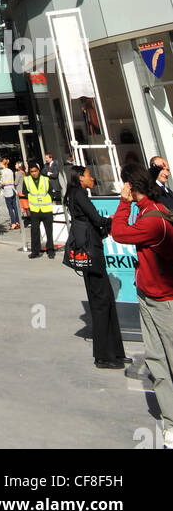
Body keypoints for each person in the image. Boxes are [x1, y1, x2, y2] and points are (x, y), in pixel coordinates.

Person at [112, 164, 173, 448]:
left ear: (131, 186)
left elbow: (120, 233)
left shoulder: (153, 219)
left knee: (168, 360)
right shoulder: (150, 212)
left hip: (164, 300)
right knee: (157, 359)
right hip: (149, 296)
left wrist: (123, 204)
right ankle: (170, 421)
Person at [63, 165, 126, 370]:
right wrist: (114, 220)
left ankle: (115, 351)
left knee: (105, 299)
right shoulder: (79, 194)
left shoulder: (74, 194)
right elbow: (96, 219)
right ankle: (104, 355)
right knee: (101, 301)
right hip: (92, 251)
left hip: (89, 248)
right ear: (80, 178)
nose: (92, 178)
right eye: (89, 175)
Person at [25, 162, 55, 259]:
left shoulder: (45, 179)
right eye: (32, 172)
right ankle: (35, 251)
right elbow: (25, 193)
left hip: (46, 209)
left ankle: (50, 250)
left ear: (39, 171)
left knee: (49, 231)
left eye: (35, 171)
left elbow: (50, 191)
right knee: (34, 231)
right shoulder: (27, 180)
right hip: (34, 209)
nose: (34, 173)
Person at [0, 157, 20, 230]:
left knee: (10, 208)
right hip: (13, 189)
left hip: (7, 190)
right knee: (15, 207)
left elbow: (2, 182)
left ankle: (13, 223)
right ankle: (17, 221)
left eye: (0, 163)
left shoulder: (2, 172)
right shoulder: (10, 171)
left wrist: (0, 184)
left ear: (2, 163)